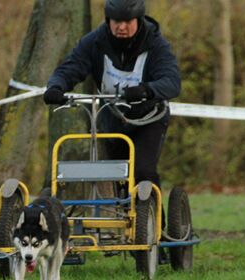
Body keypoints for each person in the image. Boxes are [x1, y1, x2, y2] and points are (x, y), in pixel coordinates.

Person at [43, 0, 180, 189]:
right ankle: (126, 214)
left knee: (142, 172)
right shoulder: (94, 42)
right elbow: (71, 68)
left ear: (138, 20)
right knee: (119, 177)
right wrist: (56, 87)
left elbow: (172, 82)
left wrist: (147, 90)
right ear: (108, 20)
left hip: (149, 119)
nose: (121, 27)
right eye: (116, 21)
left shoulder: (156, 44)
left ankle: (153, 217)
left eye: (127, 21)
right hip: (113, 118)